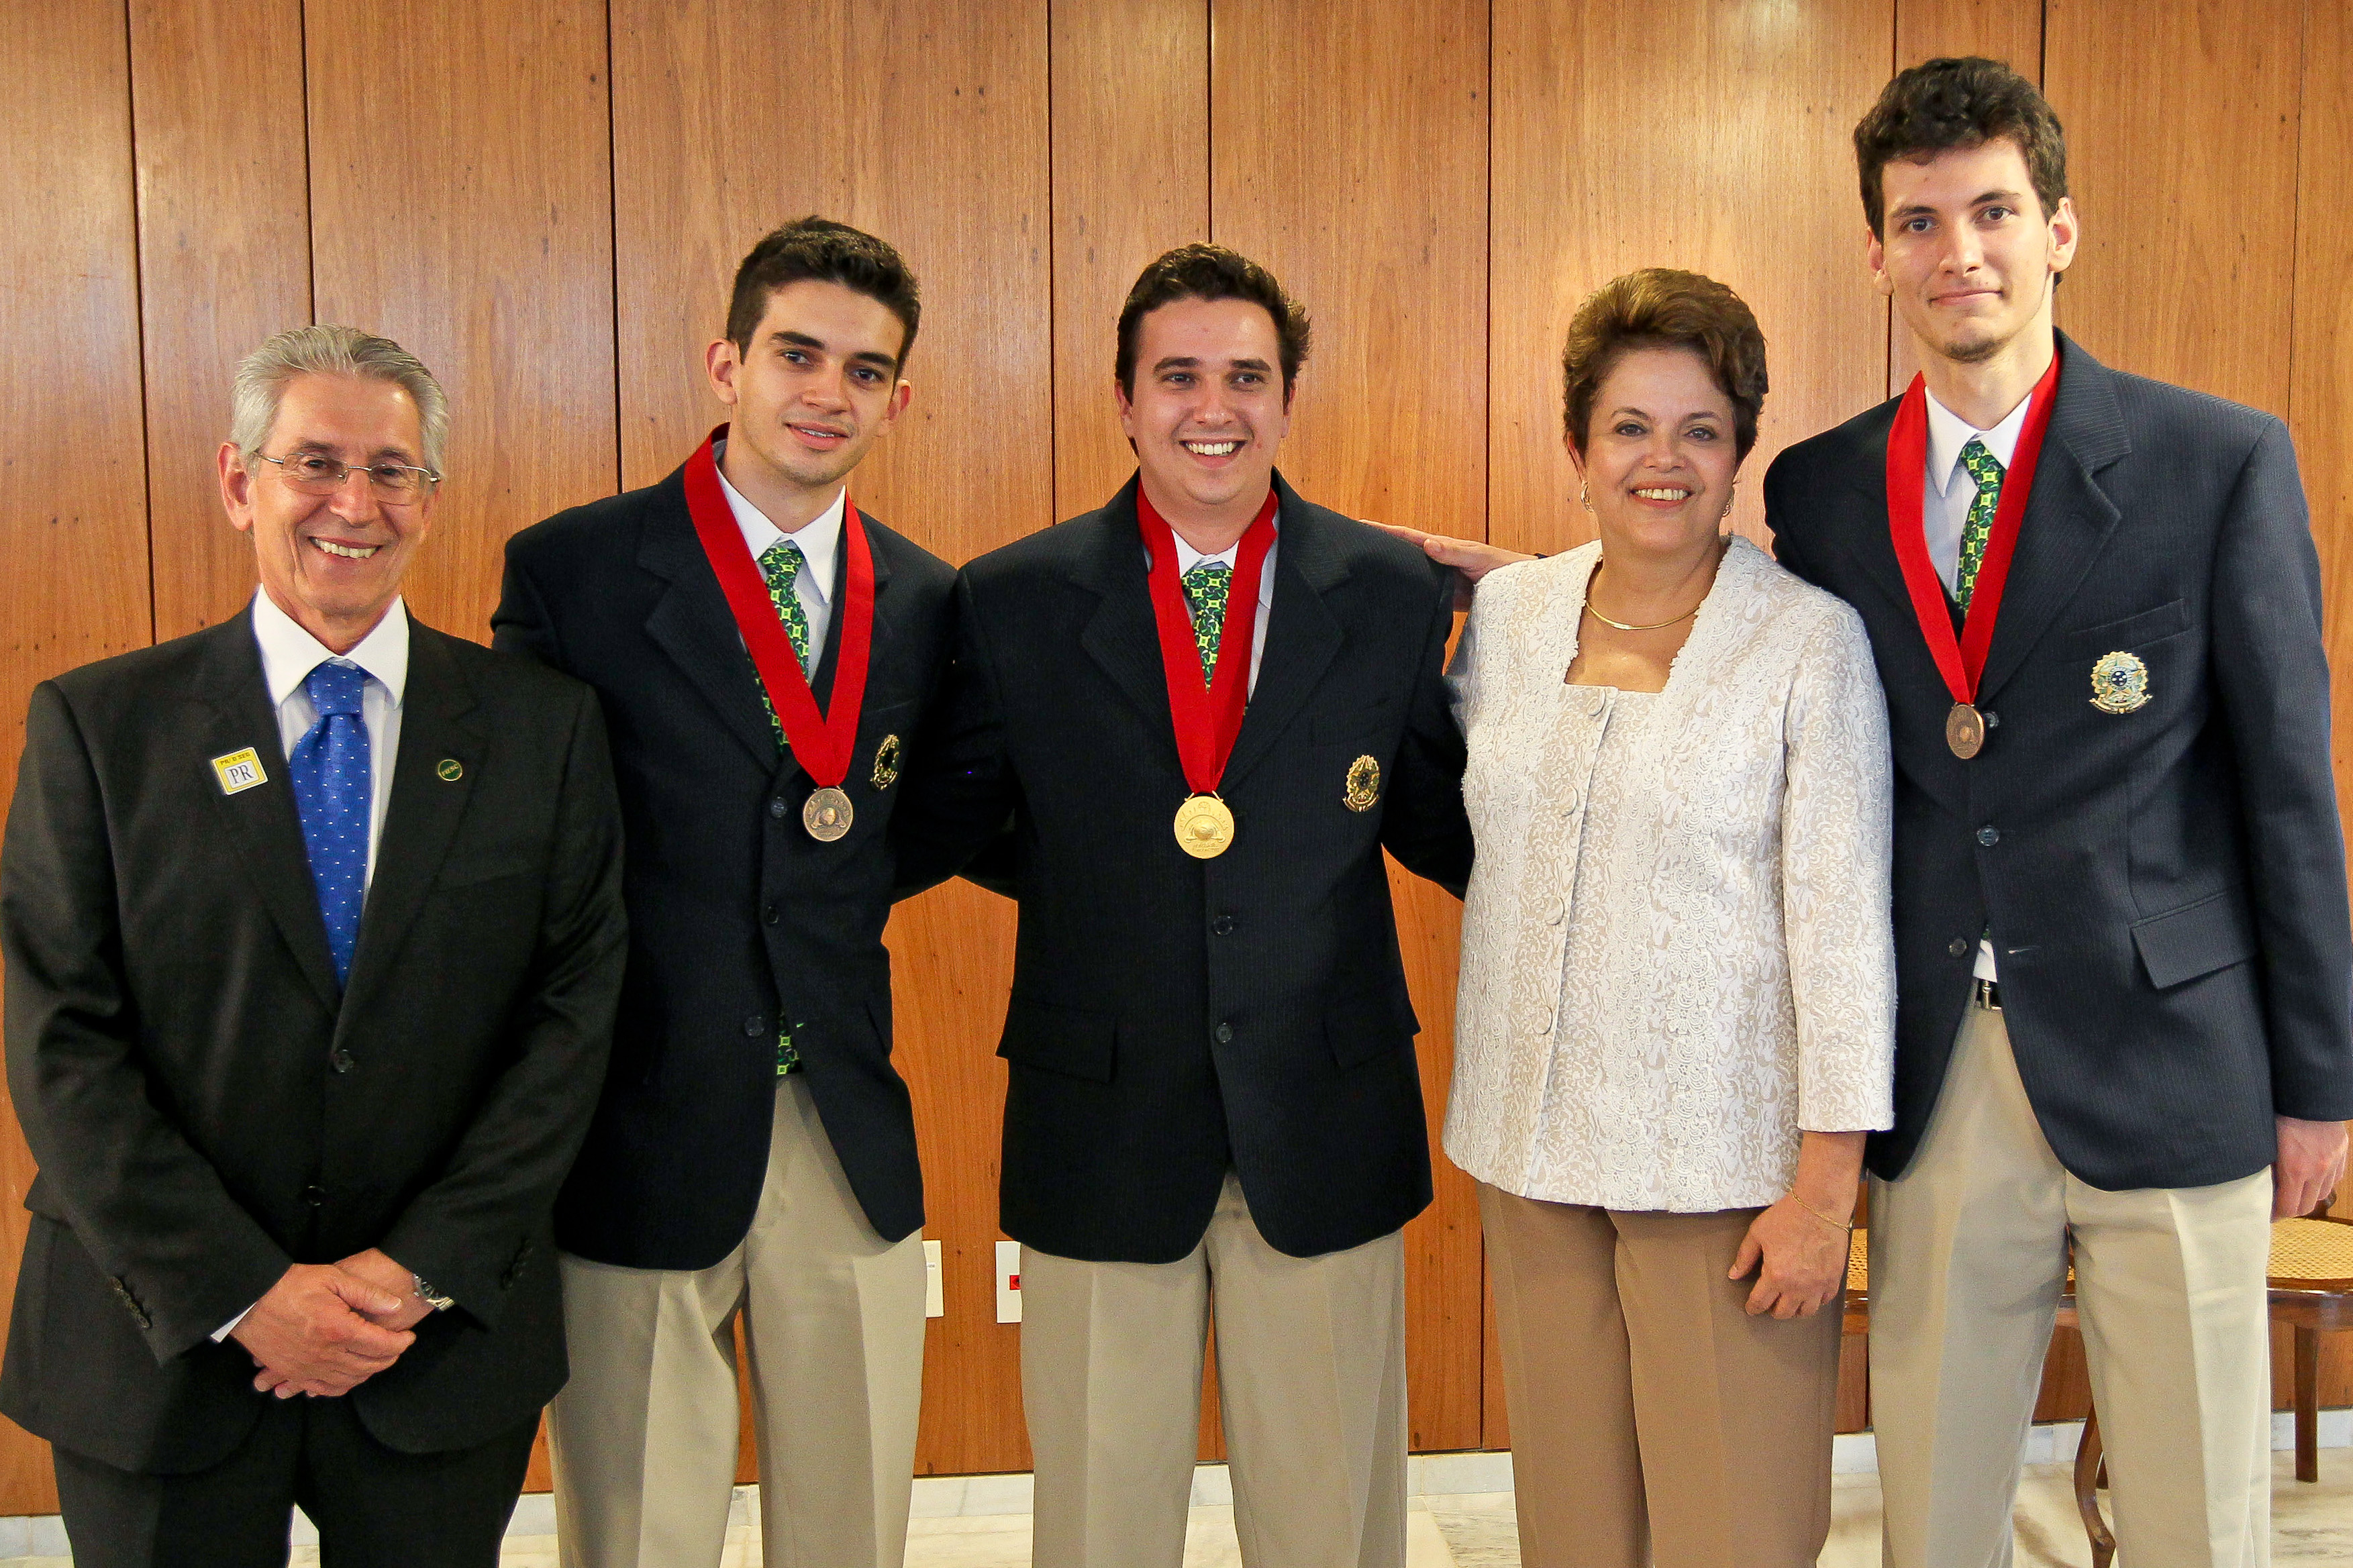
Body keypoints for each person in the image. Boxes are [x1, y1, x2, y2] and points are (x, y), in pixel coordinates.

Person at [1762, 58, 2353, 1568]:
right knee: (1938, 1509)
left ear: (2060, 230)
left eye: (1993, 210)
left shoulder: (2214, 461)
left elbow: (2287, 789)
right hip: (1939, 1068)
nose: (1957, 248)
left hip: (2175, 1058)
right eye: (1918, 220)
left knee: (2195, 1517)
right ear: (1877, 251)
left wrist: (2319, 1085)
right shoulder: (1820, 491)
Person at [0, 325, 627, 1566]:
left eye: (392, 470)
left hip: (431, 1345)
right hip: (158, 1343)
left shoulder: (539, 729)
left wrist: (414, 1271)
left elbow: (572, 1019)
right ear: (240, 482)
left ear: (431, 500)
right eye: (316, 463)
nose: (355, 503)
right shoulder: (99, 725)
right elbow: (61, 1041)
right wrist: (248, 1292)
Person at [893, 243, 1473, 1568]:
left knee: (1330, 1517)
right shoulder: (1015, 598)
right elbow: (967, 819)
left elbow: (1444, 822)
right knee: (1099, 1519)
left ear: (1286, 395)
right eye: (1179, 376)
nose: (1213, 406)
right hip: (1098, 1118)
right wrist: (1121, 886)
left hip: (1323, 1115)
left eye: (1246, 376)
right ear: (1124, 397)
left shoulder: (1387, 589)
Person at [493, 217, 957, 1568]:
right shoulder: (574, 568)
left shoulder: (927, 597)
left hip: (841, 1118)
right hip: (637, 1109)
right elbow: (531, 842)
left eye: (865, 370)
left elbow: (906, 826)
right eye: (796, 353)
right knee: (638, 1528)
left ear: (898, 399)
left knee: (852, 1526)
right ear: (725, 362)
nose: (828, 391)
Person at [1432, 269, 1896, 1568]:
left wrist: (1824, 1189)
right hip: (1528, 1153)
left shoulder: (1808, 643)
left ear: (1742, 450)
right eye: (1630, 425)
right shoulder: (1513, 618)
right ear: (1575, 444)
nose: (1663, 459)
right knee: (1573, 1531)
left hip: (1723, 1177)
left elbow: (1846, 928)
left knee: (1729, 1530)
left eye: (1699, 429)